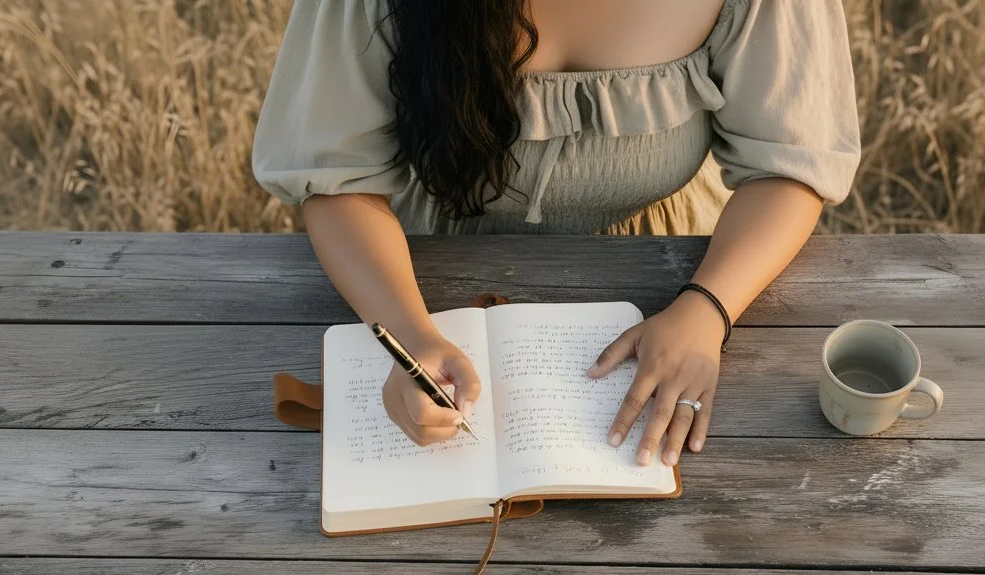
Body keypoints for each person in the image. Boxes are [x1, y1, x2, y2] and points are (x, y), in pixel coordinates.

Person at [253, 0, 860, 466]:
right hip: (421, 271)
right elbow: (339, 181)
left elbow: (788, 164)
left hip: (675, 268)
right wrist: (411, 336)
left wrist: (707, 309)